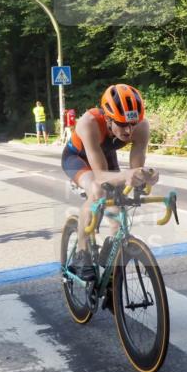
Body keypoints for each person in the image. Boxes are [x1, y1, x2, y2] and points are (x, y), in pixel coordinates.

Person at [61, 84, 158, 282]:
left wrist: (145, 175)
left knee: (120, 198)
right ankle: (82, 254)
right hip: (77, 158)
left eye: (133, 123)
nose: (129, 130)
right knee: (97, 190)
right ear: (107, 118)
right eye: (122, 124)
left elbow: (136, 166)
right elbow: (100, 175)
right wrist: (126, 175)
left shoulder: (141, 126)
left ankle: (113, 254)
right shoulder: (89, 122)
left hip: (105, 154)